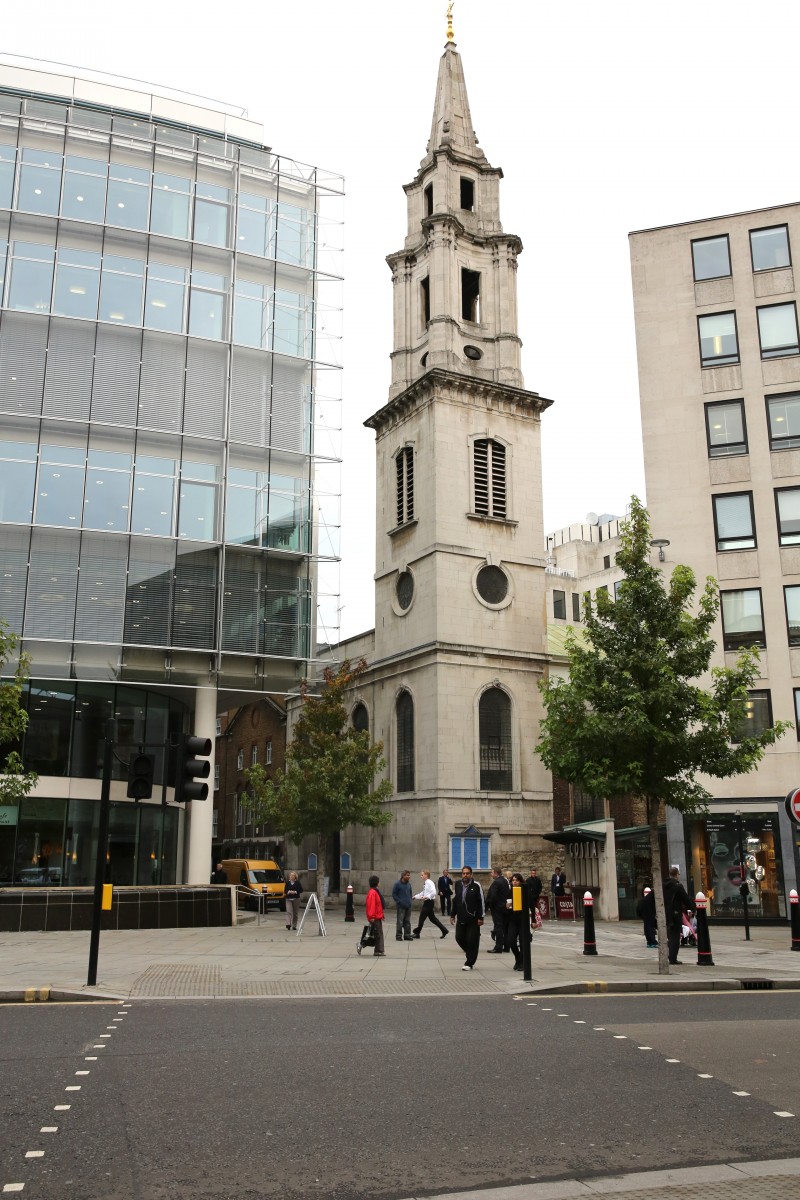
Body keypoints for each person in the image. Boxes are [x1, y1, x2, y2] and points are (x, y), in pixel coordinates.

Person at [450, 865, 485, 970]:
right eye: (464, 873)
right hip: (461, 917)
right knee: (459, 938)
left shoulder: (476, 886)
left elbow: (481, 902)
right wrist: (452, 915)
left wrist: (481, 917)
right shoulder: (458, 884)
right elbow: (455, 900)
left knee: (472, 940)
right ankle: (470, 952)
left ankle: (469, 963)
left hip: (473, 919)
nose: (465, 875)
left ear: (471, 874)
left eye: (467, 873)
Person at [663, 865, 694, 964]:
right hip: (675, 913)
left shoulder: (663, 885)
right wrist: (693, 908)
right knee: (675, 937)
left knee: (670, 935)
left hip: (666, 913)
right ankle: (672, 958)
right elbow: (685, 898)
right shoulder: (677, 886)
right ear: (677, 875)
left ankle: (669, 955)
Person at [413, 870, 449, 939]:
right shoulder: (426, 883)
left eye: (422, 875)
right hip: (427, 902)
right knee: (433, 919)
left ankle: (417, 933)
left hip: (429, 902)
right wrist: (415, 896)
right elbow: (423, 892)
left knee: (421, 918)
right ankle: (444, 930)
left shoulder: (430, 882)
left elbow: (434, 892)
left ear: (426, 875)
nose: (421, 876)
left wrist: (426, 897)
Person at [485, 867, 510, 953]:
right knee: (505, 927)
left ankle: (498, 947)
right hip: (505, 907)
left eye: (492, 872)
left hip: (497, 908)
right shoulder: (505, 881)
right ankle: (506, 946)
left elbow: (493, 896)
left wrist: (490, 906)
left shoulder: (496, 882)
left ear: (496, 873)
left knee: (498, 927)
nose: (491, 874)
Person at [505, 872, 527, 971]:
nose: (514, 882)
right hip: (513, 920)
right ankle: (518, 957)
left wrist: (534, 920)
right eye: (513, 880)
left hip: (523, 920)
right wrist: (507, 906)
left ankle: (522, 962)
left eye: (516, 880)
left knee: (523, 942)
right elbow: (506, 905)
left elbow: (531, 905)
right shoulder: (510, 891)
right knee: (511, 941)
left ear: (520, 882)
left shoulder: (524, 891)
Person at [365, 874, 386, 957]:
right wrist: (372, 916)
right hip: (375, 917)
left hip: (377, 916)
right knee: (378, 934)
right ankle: (378, 950)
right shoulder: (373, 892)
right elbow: (372, 905)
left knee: (376, 933)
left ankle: (379, 950)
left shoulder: (374, 892)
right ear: (377, 883)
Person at [392, 870, 414, 941]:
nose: (409, 877)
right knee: (400, 921)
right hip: (401, 906)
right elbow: (394, 894)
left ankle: (407, 935)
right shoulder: (397, 884)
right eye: (407, 875)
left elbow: (410, 893)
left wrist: (410, 901)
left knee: (407, 921)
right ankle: (398, 935)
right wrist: (399, 901)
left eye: (409, 875)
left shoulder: (409, 884)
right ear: (403, 876)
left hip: (408, 905)